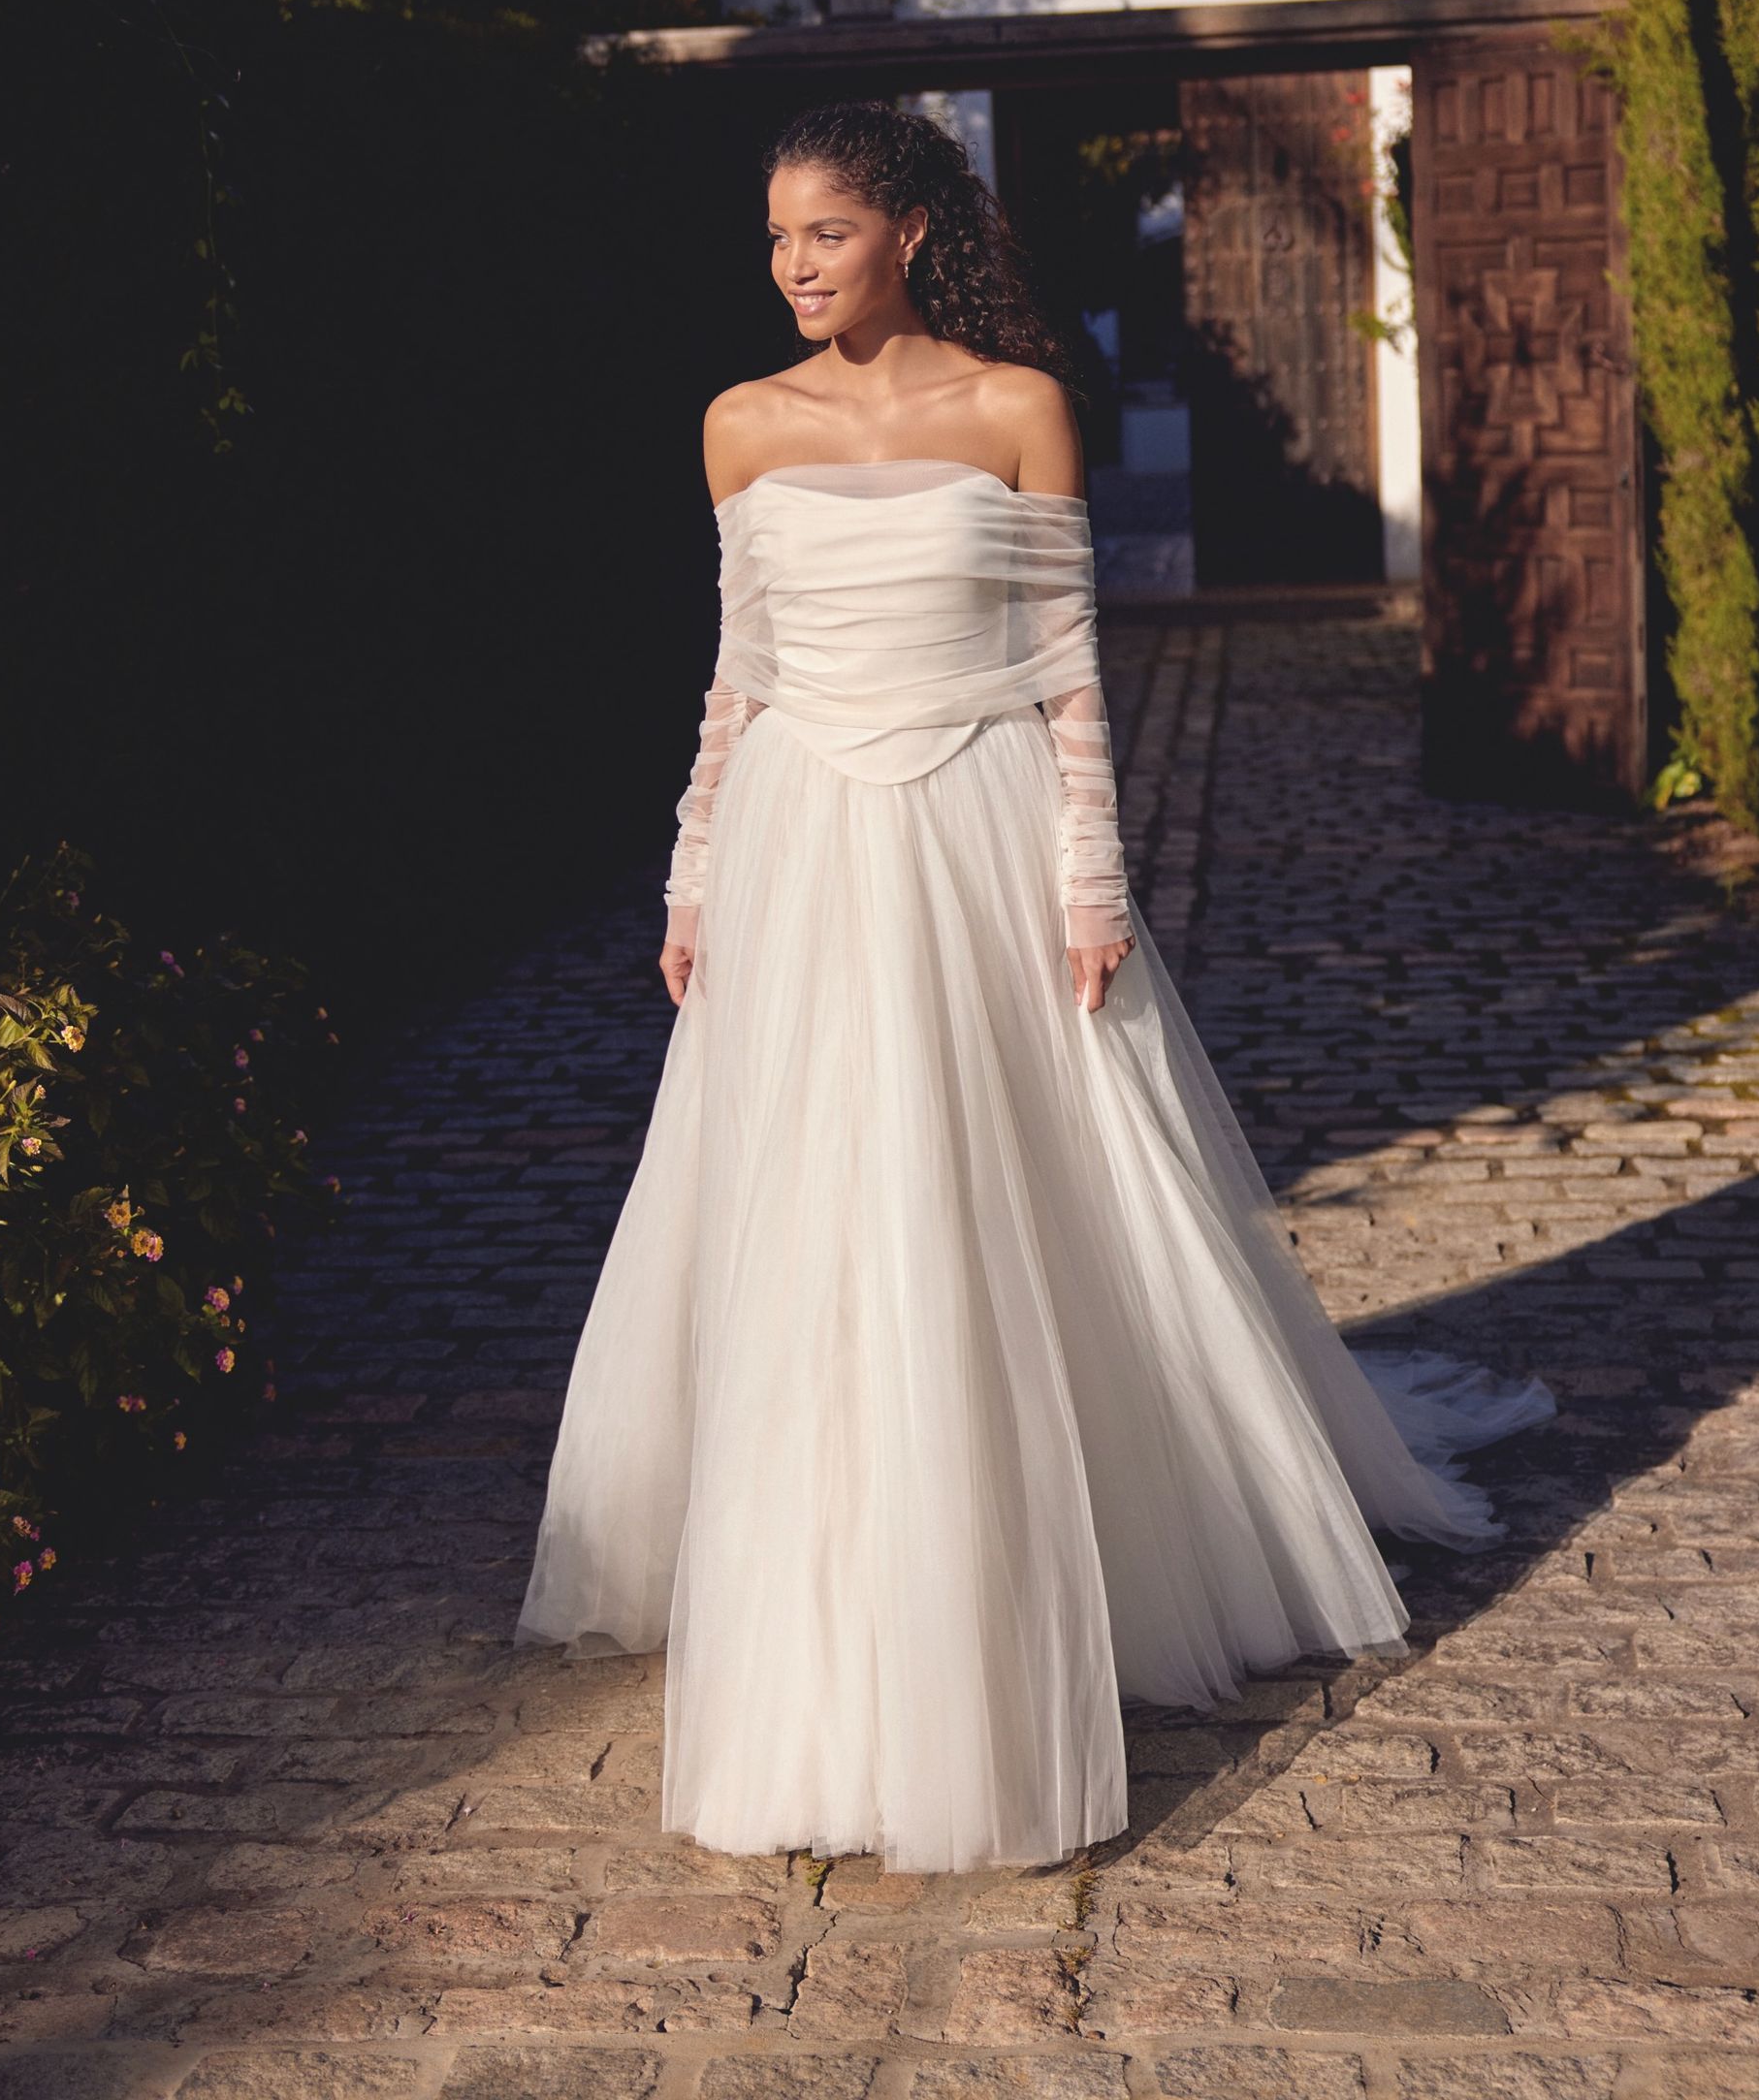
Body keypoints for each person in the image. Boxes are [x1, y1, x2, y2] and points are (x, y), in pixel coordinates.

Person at [517, 99, 1551, 1874]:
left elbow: (1072, 676)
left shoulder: (1018, 410)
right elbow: (736, 676)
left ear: (908, 227)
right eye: (773, 239)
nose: (791, 266)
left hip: (980, 835)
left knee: (1007, 1194)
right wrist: (695, 872)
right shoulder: (737, 428)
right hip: (799, 843)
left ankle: (1046, 1552)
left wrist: (1091, 880)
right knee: (812, 1219)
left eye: (822, 233)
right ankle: (826, 1608)